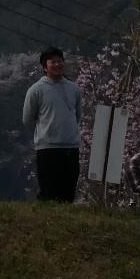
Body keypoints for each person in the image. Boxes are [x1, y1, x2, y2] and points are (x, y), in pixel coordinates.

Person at [22, 47, 81, 203]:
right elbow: (28, 119)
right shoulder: (36, 90)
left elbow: (77, 116)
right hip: (48, 148)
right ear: (44, 67)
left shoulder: (74, 88)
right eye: (52, 62)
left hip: (71, 147)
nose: (57, 64)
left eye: (60, 61)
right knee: (49, 192)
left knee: (68, 193)